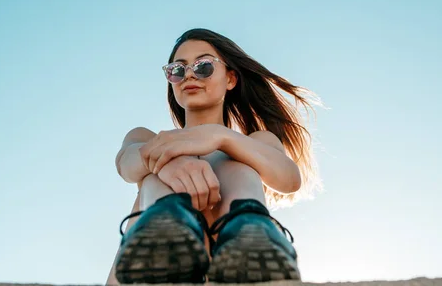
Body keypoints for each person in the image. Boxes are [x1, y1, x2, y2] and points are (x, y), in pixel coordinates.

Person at [105, 28, 322, 284]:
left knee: (235, 166)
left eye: (203, 66)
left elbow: (289, 178)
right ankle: (165, 235)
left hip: (232, 271)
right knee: (155, 179)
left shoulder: (255, 143)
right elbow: (126, 163)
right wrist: (170, 163)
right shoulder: (149, 138)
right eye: (177, 69)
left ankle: (248, 232)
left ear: (230, 79)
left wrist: (222, 137)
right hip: (154, 274)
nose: (189, 75)